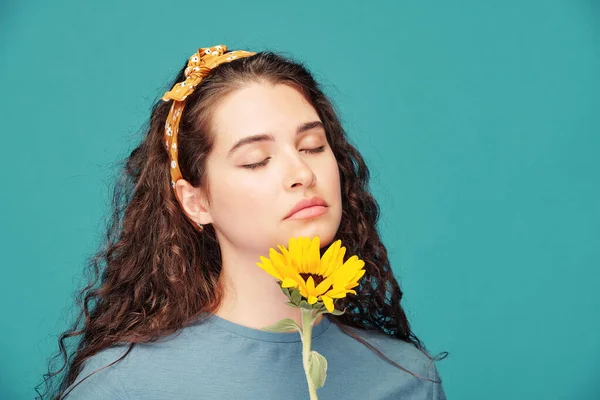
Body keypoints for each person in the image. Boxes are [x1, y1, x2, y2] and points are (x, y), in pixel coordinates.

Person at [37, 45, 448, 400]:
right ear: (196, 202)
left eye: (313, 146)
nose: (302, 173)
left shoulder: (406, 378)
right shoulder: (123, 386)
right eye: (256, 160)